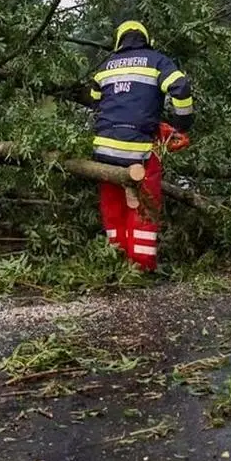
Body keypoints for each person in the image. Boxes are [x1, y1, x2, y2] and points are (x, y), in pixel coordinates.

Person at [88, 20, 193, 272]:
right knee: (145, 206)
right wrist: (182, 122)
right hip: (140, 151)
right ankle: (141, 265)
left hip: (103, 151)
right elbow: (180, 87)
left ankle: (117, 259)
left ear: (119, 40)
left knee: (112, 206)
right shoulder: (157, 61)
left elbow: (95, 102)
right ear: (146, 39)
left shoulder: (104, 67)